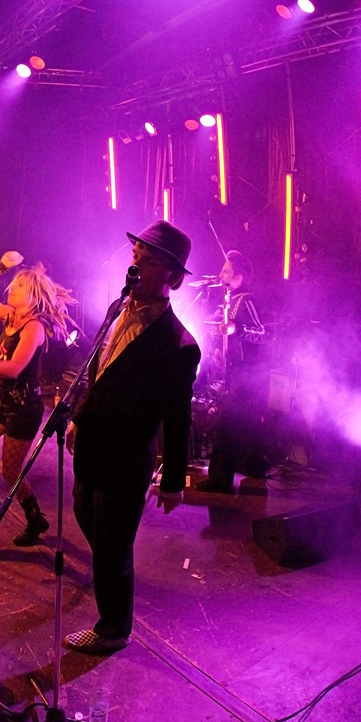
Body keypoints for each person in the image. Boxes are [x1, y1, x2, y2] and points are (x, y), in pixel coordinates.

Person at [63, 220, 201, 655]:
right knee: (85, 515)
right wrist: (78, 418)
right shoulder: (116, 307)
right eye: (137, 254)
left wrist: (173, 480)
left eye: (151, 259)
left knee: (113, 544)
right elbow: (96, 373)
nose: (137, 263)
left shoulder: (179, 344)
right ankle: (111, 572)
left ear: (173, 277)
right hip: (92, 444)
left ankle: (113, 629)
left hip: (126, 459)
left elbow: (178, 418)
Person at [0, 252, 76, 546]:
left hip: (24, 409)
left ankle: (34, 517)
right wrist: (0, 267)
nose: (12, 288)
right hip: (2, 403)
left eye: (19, 285)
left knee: (9, 471)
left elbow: (14, 368)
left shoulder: (34, 327)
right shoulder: (10, 315)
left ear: (32, 294)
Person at [196, 250, 269, 493]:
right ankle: (255, 466)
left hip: (248, 373)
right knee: (247, 422)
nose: (220, 275)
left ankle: (220, 479)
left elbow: (263, 334)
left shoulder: (246, 300)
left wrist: (237, 330)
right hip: (236, 371)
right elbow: (229, 334)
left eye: (226, 271)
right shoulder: (230, 300)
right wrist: (220, 348)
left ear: (238, 278)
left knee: (227, 423)